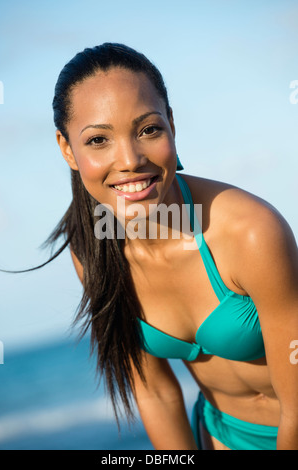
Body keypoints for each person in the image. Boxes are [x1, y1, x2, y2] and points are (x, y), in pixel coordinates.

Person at [44, 43, 298, 450]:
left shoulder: (250, 232)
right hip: (222, 435)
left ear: (172, 126)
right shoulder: (92, 250)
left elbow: (297, 408)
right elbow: (155, 392)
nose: (129, 159)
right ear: (66, 149)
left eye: (148, 130)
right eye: (98, 140)